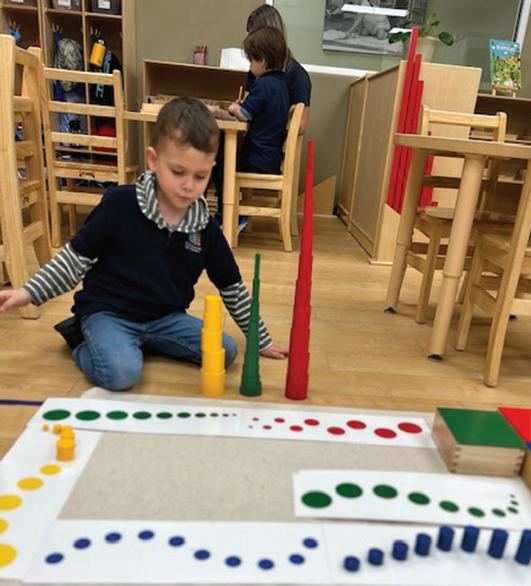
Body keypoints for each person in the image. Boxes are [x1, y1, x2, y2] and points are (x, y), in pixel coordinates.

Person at [0, 98, 288, 391]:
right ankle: (85, 342)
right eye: (178, 172)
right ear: (153, 160)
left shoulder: (206, 227)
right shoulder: (120, 204)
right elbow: (73, 261)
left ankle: (135, 343)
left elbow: (232, 287)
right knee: (122, 374)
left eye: (200, 176)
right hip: (109, 313)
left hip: (165, 319)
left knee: (225, 351)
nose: (189, 185)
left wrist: (261, 340)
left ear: (211, 169)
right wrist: (28, 293)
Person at [212, 26, 290, 228]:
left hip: (257, 158)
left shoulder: (263, 84)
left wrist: (234, 107)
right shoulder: (281, 85)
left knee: (219, 162)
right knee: (223, 155)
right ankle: (231, 213)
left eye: (251, 61)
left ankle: (227, 214)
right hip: (269, 157)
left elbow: (244, 115)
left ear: (262, 61)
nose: (249, 66)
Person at [245, 4, 311, 135]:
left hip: (271, 143)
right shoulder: (255, 72)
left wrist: (273, 116)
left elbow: (301, 125)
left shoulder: (298, 75)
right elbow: (247, 109)